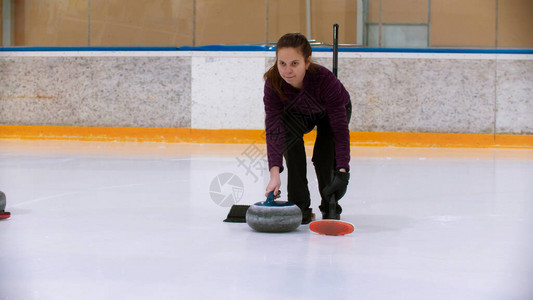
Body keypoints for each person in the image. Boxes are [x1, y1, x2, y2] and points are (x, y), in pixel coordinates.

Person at [263, 33, 352, 224]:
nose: (287, 70)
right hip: (298, 113)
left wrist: (343, 170)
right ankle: (299, 205)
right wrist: (274, 173)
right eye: (282, 63)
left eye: (294, 63)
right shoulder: (273, 83)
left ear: (307, 62)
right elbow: (274, 129)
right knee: (289, 139)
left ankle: (330, 204)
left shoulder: (325, 81)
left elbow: (339, 130)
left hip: (332, 113)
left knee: (324, 156)